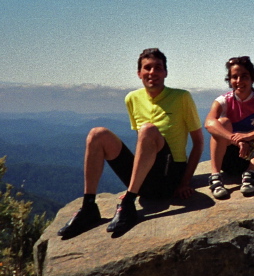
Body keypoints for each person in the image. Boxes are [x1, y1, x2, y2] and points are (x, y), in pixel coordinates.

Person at [58, 48, 203, 238]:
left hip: (170, 176)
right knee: (97, 134)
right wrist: (134, 180)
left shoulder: (182, 97)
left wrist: (184, 182)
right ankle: (89, 207)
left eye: (158, 67)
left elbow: (198, 142)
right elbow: (143, 145)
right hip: (145, 180)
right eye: (147, 68)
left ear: (165, 72)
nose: (152, 72)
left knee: (148, 129)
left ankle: (128, 203)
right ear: (139, 74)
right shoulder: (132, 99)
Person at [205, 56, 254, 198]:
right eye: (234, 77)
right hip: (229, 159)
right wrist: (235, 139)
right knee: (222, 122)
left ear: (252, 78)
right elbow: (209, 123)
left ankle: (250, 173)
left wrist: (248, 137)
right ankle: (215, 176)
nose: (239, 81)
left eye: (244, 76)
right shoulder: (223, 101)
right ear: (229, 80)